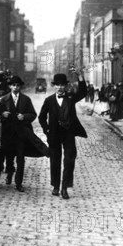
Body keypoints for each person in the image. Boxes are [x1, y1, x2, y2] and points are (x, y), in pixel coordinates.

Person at [39, 70, 88, 200]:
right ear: (54, 86)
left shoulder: (71, 97)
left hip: (68, 134)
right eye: (58, 85)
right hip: (54, 135)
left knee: (69, 161)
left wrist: (80, 77)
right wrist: (47, 130)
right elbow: (41, 117)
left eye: (62, 85)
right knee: (55, 161)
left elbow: (83, 92)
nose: (60, 87)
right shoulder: (49, 100)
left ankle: (64, 187)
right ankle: (55, 185)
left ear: (65, 86)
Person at [0, 75, 45, 192]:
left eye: (18, 85)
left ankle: (18, 183)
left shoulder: (26, 99)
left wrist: (24, 117)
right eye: (13, 85)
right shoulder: (3, 100)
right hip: (8, 134)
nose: (15, 87)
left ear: (20, 87)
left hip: (21, 134)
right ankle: (9, 173)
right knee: (9, 157)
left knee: (20, 158)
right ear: (10, 86)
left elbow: (33, 114)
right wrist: (2, 115)